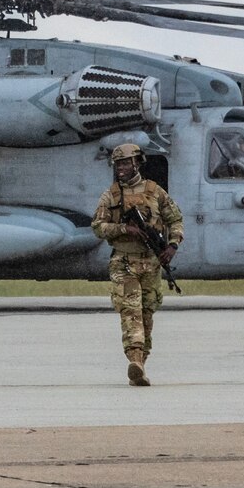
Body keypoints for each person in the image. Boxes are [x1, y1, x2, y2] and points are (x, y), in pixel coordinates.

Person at [90, 142, 184, 387]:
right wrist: (124, 228)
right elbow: (98, 227)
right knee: (131, 314)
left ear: (137, 163)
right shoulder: (110, 195)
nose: (121, 168)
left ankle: (142, 363)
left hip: (151, 263)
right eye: (118, 164)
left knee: (147, 314)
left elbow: (175, 219)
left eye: (125, 163)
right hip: (124, 262)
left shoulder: (155, 192)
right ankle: (135, 361)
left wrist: (171, 246)